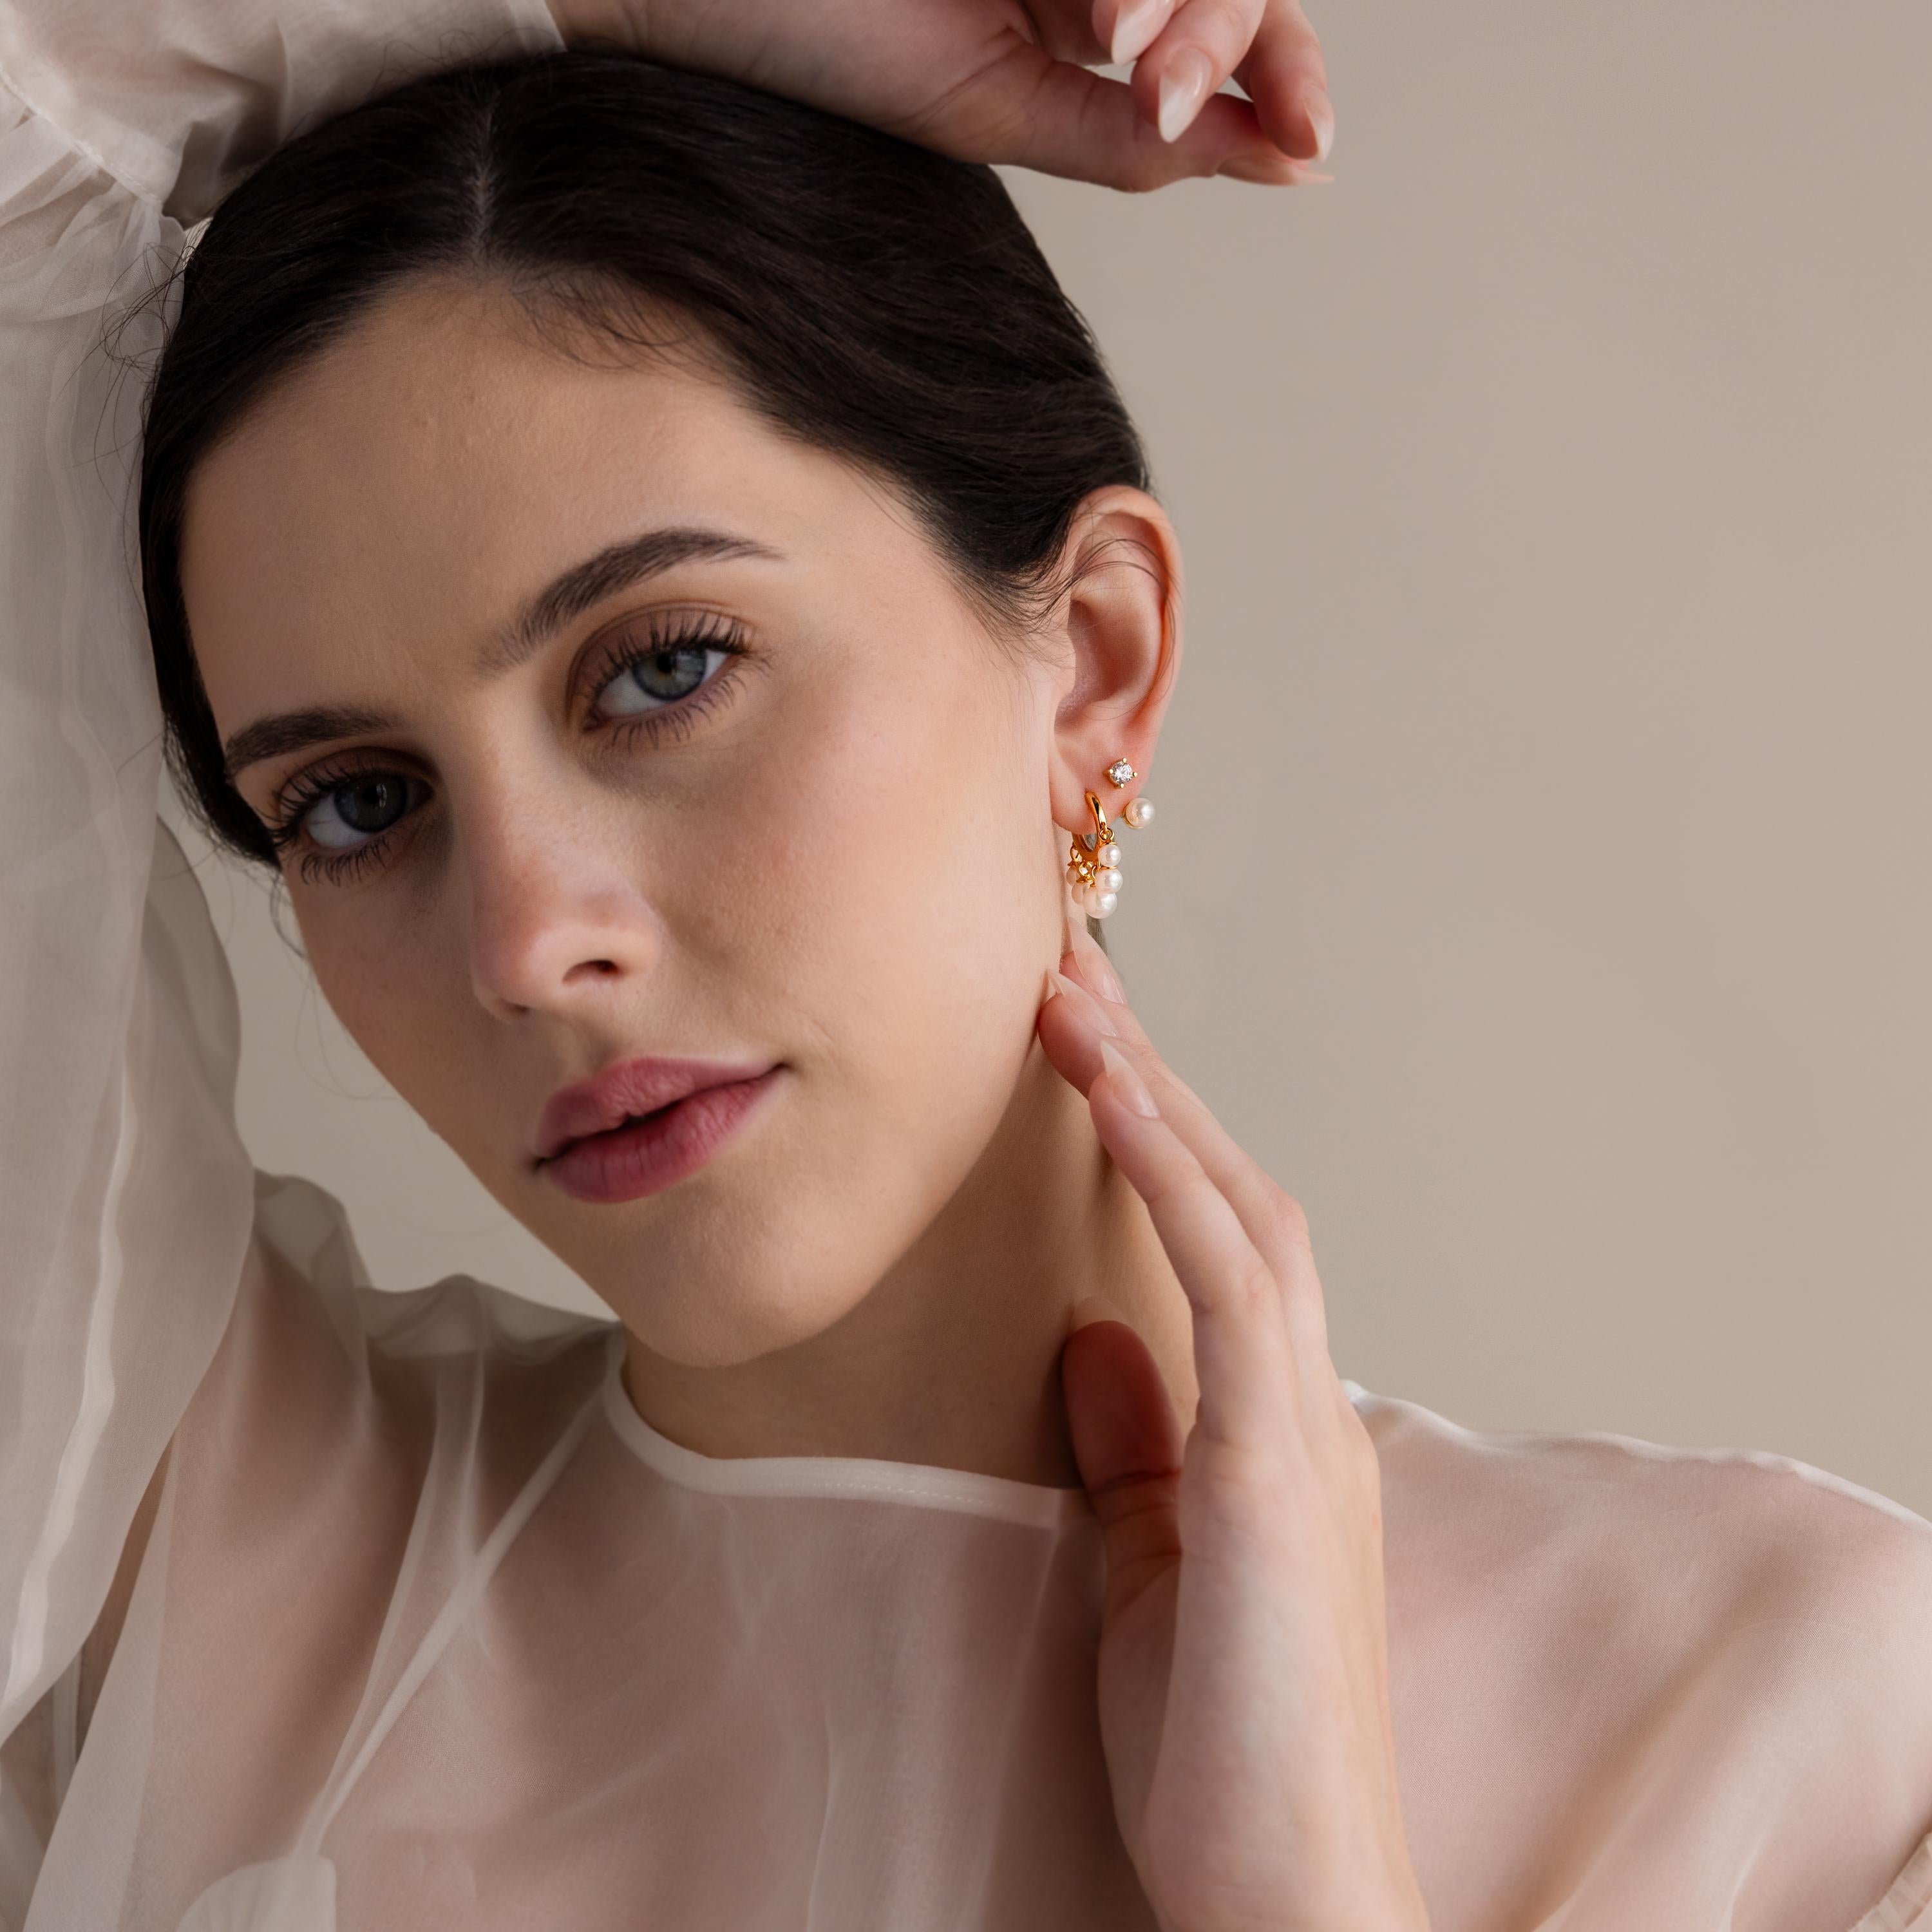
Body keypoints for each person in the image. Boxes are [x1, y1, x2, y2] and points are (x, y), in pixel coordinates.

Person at [0, 2, 1926, 1928]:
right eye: (356, 803)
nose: (525, 943)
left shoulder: (1808, 1718)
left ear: (1092, 659)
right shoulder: (156, 1560)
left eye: (664, 669)